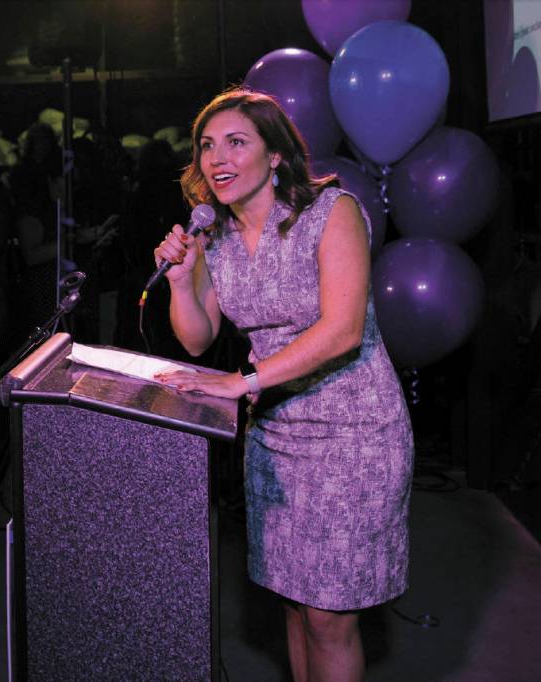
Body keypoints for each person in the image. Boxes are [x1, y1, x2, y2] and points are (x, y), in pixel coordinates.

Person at [152, 88, 413, 682]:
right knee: (294, 608)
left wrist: (244, 380)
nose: (218, 156)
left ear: (274, 156)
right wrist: (181, 281)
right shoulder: (214, 235)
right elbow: (196, 339)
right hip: (275, 439)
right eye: (207, 146)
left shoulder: (332, 211)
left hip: (354, 434)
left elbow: (343, 330)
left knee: (328, 618)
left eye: (237, 141)